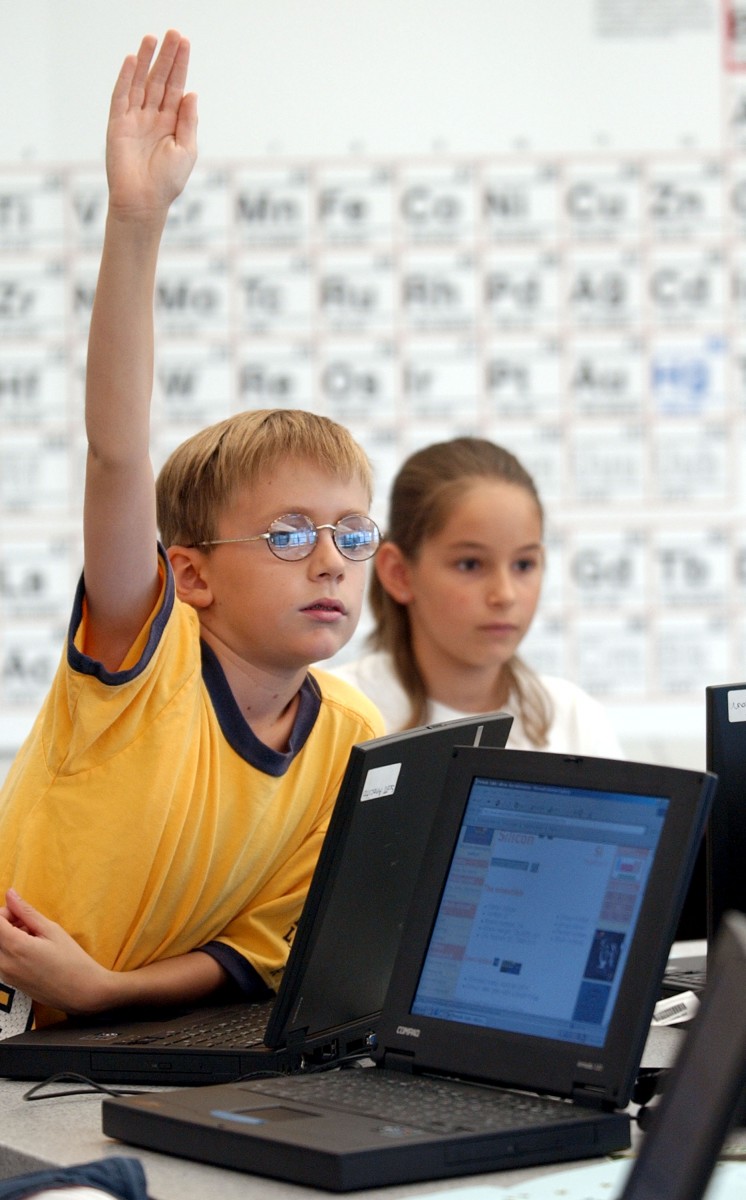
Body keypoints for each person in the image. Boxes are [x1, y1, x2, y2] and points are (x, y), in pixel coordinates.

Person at [0, 31, 383, 1027]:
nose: (332, 562)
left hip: (123, 1036)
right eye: (290, 536)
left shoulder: (348, 736)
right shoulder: (144, 649)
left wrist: (107, 991)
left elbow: (251, 953)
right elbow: (117, 456)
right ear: (193, 574)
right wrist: (137, 219)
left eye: (349, 534)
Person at [332, 437, 623, 756]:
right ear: (398, 573)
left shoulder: (575, 721)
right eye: (470, 564)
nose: (505, 595)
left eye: (524, 564)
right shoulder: (337, 717)